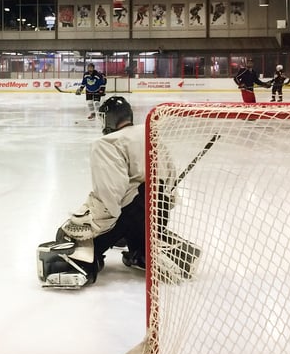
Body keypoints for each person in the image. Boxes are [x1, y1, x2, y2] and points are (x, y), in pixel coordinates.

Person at [36, 96, 200, 288]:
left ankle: (86, 263)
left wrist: (99, 228)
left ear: (109, 119)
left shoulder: (107, 142)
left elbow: (110, 194)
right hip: (158, 212)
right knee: (134, 223)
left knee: (65, 235)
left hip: (133, 210)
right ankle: (142, 250)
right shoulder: (151, 135)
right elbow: (170, 179)